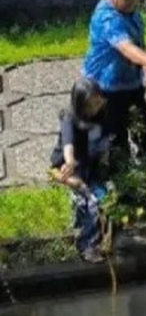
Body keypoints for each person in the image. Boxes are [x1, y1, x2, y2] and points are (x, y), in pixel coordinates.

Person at [81, 0, 146, 168]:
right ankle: (122, 184)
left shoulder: (130, 12)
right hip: (104, 88)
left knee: (142, 128)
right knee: (115, 137)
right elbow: (126, 47)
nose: (134, 2)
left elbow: (138, 46)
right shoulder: (107, 18)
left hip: (130, 83)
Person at [49, 78, 112, 263]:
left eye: (99, 102)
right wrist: (69, 162)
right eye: (92, 104)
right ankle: (86, 246)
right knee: (91, 203)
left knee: (104, 198)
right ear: (80, 105)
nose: (97, 107)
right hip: (69, 169)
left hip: (91, 167)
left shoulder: (102, 117)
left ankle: (100, 237)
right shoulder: (70, 119)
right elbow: (68, 144)